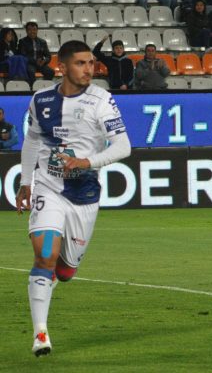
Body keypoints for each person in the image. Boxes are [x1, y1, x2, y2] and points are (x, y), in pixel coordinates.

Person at [15, 40, 131, 356]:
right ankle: (40, 335)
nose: (89, 69)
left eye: (91, 63)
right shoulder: (41, 100)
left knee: (64, 272)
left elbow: (123, 147)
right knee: (44, 254)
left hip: (85, 194)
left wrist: (86, 162)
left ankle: (52, 277)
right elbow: (32, 140)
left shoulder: (102, 100)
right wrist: (27, 181)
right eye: (81, 63)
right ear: (61, 67)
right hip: (48, 188)